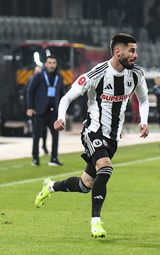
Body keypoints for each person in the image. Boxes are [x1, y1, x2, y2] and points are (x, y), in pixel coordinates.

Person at [34, 34, 149, 238]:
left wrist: (144, 120)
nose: (135, 55)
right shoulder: (98, 73)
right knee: (105, 167)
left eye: (135, 50)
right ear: (118, 52)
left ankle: (50, 187)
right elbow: (67, 97)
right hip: (93, 131)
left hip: (113, 138)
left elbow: (144, 100)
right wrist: (61, 117)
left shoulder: (136, 75)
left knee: (85, 184)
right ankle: (95, 222)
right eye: (132, 50)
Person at [27, 56, 65, 166]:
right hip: (40, 111)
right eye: (50, 62)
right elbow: (30, 91)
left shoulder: (59, 76)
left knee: (55, 136)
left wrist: (63, 111)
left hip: (54, 112)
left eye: (54, 62)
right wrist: (30, 107)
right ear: (46, 64)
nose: (52, 65)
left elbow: (63, 94)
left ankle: (53, 158)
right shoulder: (39, 76)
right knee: (37, 135)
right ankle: (35, 158)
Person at [22, 66, 48, 154]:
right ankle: (35, 151)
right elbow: (26, 95)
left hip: (43, 109)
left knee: (44, 129)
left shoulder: (45, 82)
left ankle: (44, 145)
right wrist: (28, 108)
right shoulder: (30, 82)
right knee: (36, 131)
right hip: (34, 110)